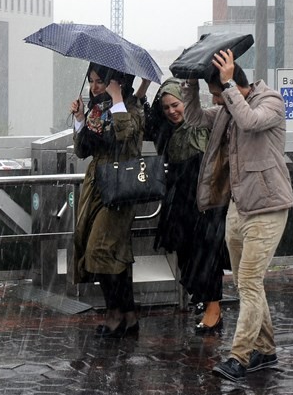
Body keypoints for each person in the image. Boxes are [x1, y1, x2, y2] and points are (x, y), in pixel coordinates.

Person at [181, 49, 293, 382]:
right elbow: (194, 119)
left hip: (269, 207)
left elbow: (251, 121)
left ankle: (240, 357)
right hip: (239, 206)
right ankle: (266, 351)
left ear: (234, 85)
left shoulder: (270, 101)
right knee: (250, 284)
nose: (217, 102)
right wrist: (190, 87)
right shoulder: (228, 108)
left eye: (218, 95)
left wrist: (227, 85)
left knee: (248, 283)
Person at [70, 62, 150, 338]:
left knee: (100, 250)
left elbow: (126, 137)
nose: (94, 87)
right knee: (116, 254)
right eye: (91, 81)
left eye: (100, 81)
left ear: (117, 82)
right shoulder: (95, 111)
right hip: (95, 185)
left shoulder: (133, 108)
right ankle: (128, 315)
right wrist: (80, 119)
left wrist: (117, 99)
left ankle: (114, 313)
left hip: (120, 185)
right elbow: (81, 151)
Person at [147, 78, 228, 335]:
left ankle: (214, 308)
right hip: (180, 199)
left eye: (176, 104)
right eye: (166, 107)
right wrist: (142, 88)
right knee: (185, 254)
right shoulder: (166, 131)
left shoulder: (204, 122)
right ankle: (205, 300)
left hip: (206, 198)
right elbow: (147, 124)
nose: (172, 111)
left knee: (207, 252)